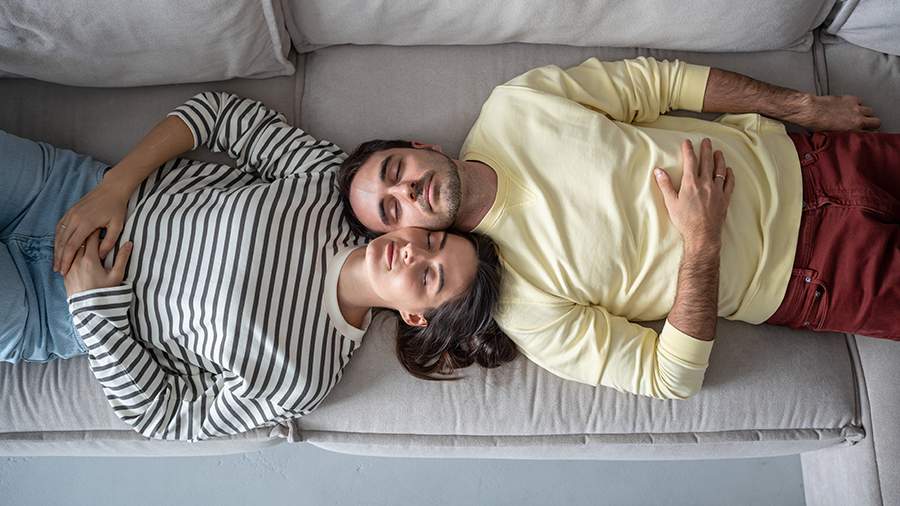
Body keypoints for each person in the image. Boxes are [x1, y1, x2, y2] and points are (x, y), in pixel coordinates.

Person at [338, 57, 900, 400]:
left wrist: (801, 106)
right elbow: (669, 378)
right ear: (398, 233)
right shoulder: (524, 309)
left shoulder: (515, 104)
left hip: (813, 158)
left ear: (421, 147)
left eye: (395, 171)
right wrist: (701, 243)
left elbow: (660, 82)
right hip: (817, 277)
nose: (406, 192)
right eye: (391, 211)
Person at [0, 92, 511, 441]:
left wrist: (93, 310)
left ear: (415, 316)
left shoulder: (302, 377)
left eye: (428, 276)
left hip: (47, 308)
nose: (414, 253)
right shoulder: (326, 185)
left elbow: (165, 417)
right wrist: (114, 187)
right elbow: (218, 113)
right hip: (67, 189)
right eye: (432, 240)